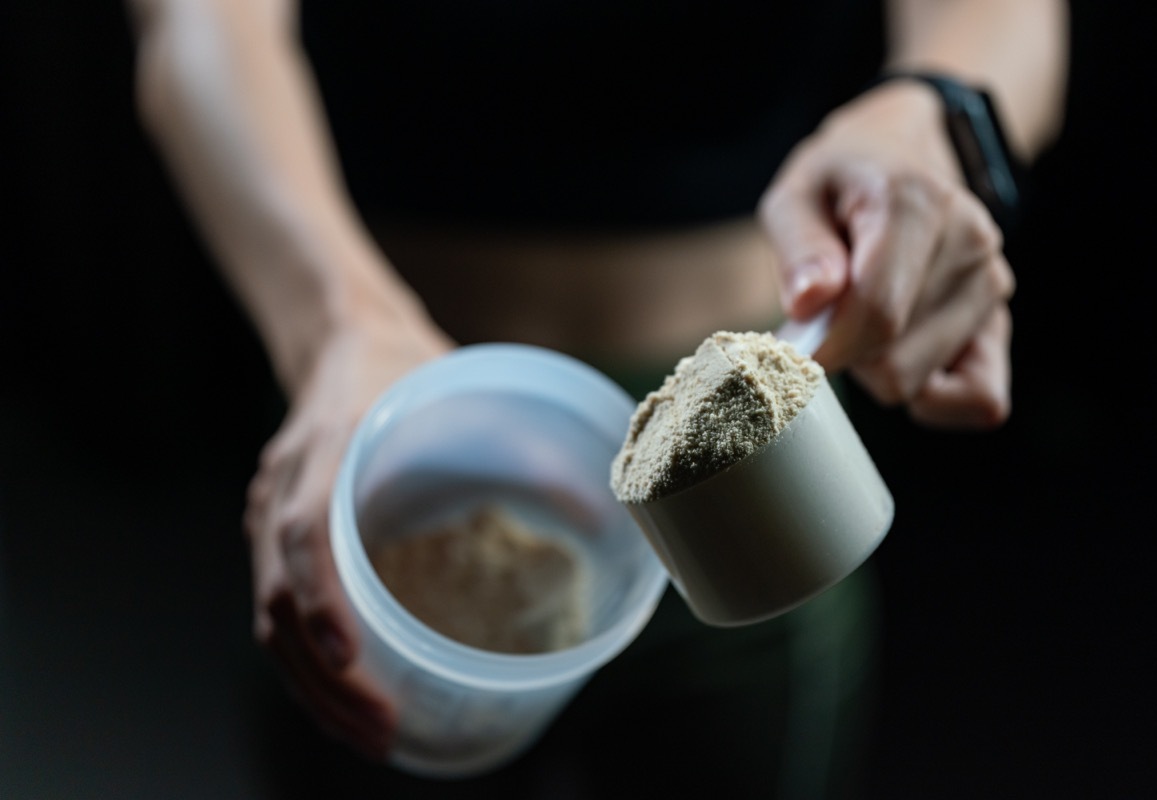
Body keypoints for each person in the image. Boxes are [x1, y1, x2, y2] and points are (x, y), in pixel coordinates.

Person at [125, 0, 1068, 794]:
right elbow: (204, 29)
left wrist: (931, 112)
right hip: (386, 424)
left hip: (750, 468)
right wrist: (336, 325)